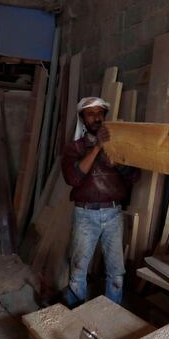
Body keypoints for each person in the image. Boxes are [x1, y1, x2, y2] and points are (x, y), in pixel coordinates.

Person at [60, 96, 140, 305]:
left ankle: (112, 315)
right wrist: (97, 148)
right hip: (85, 214)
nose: (96, 118)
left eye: (99, 113)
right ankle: (75, 311)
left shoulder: (118, 146)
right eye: (90, 114)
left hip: (113, 213)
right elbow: (73, 178)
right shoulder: (74, 148)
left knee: (116, 272)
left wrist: (117, 165)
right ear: (82, 119)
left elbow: (134, 177)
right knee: (78, 269)